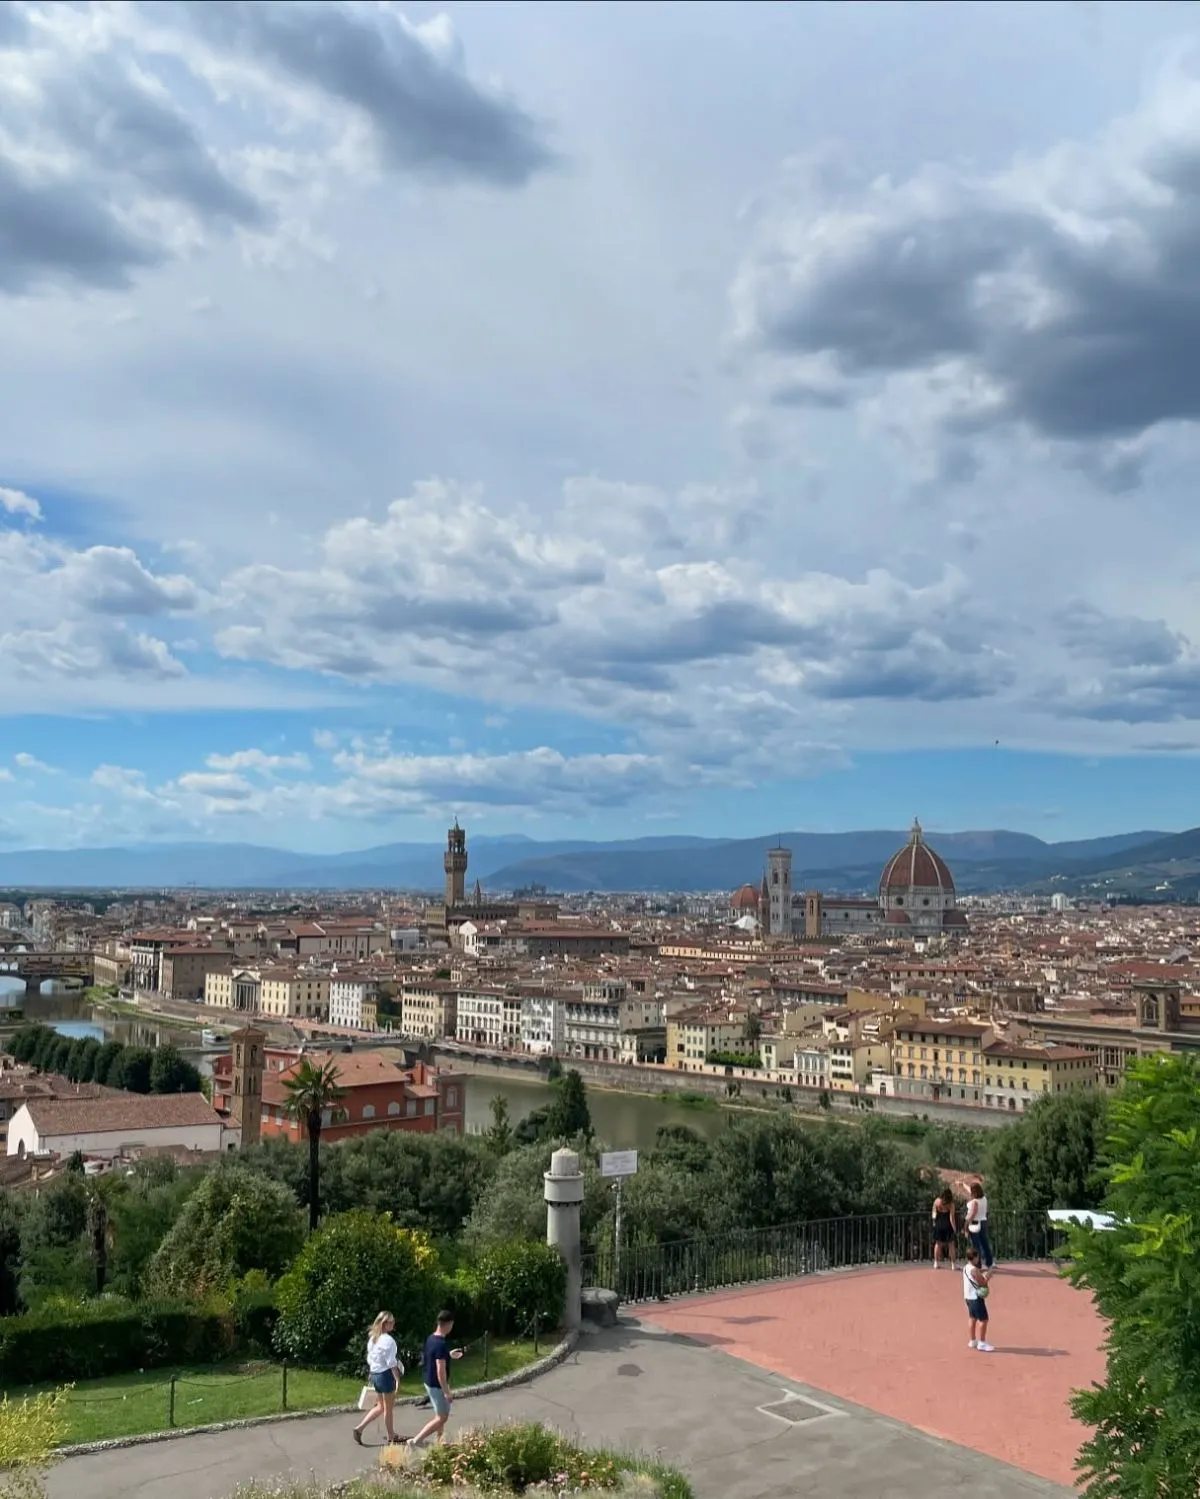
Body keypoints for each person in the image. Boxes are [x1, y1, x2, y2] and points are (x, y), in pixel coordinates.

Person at [408, 1309, 464, 1448]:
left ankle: (440, 1441)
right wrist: (446, 1392)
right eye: (452, 1324)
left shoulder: (432, 1338)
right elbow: (440, 1371)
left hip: (429, 1381)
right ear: (448, 1324)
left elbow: (434, 1358)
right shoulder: (441, 1344)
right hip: (437, 1385)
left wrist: (448, 1355)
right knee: (442, 1417)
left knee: (439, 1414)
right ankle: (416, 1441)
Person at [353, 1310, 402, 1446]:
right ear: (385, 1324)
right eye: (391, 1322)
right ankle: (391, 1436)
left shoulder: (373, 1338)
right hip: (385, 1375)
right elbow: (391, 1362)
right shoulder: (389, 1341)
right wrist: (397, 1379)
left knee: (381, 1406)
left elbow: (371, 1358)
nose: (393, 1324)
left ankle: (360, 1428)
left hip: (375, 1374)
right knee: (388, 1408)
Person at [963, 1246, 994, 1352]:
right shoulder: (974, 1270)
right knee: (983, 1319)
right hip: (976, 1298)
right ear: (975, 1257)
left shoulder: (966, 1267)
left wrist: (983, 1272)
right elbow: (982, 1283)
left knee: (972, 1317)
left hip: (968, 1297)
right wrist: (988, 1276)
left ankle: (972, 1340)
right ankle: (982, 1343)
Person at [964, 1181, 993, 1268]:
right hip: (983, 1221)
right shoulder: (984, 1198)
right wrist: (963, 1184)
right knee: (984, 1243)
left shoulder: (975, 1202)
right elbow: (969, 1189)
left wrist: (966, 1223)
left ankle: (977, 1264)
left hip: (975, 1223)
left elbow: (973, 1213)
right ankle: (989, 1262)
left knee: (976, 1245)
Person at [931, 1188, 958, 1269]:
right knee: (951, 1245)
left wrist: (934, 1223)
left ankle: (935, 1263)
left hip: (938, 1224)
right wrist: (954, 1228)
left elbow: (933, 1213)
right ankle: (953, 1264)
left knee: (938, 1244)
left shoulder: (937, 1201)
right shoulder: (951, 1204)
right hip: (948, 1225)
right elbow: (951, 1218)